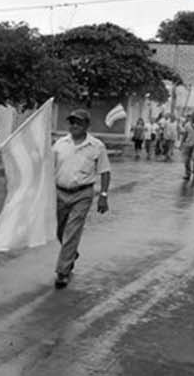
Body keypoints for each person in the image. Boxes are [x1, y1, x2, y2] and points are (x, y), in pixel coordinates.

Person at [51, 109, 112, 288]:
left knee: (72, 231)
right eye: (71, 122)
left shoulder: (96, 146)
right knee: (59, 231)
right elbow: (47, 166)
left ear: (86, 125)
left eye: (78, 123)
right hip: (60, 192)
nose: (74, 126)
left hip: (82, 194)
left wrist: (103, 195)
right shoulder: (60, 144)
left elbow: (105, 171)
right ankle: (70, 253)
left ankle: (62, 271)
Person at [179, 113, 194, 181]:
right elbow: (185, 135)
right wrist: (181, 144)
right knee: (186, 160)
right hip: (188, 144)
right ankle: (188, 173)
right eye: (193, 116)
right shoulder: (187, 125)